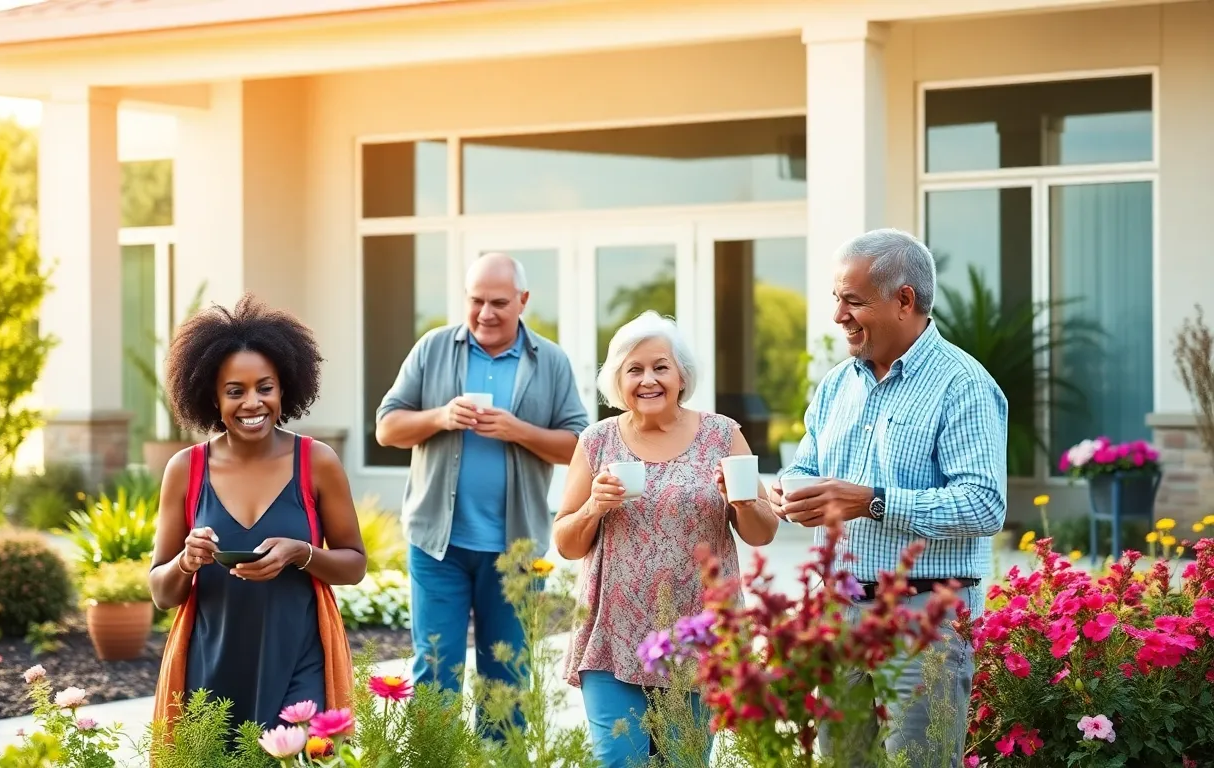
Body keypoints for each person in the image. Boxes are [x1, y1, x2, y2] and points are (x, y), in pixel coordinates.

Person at [774, 228, 1008, 767]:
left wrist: (873, 501)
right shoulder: (837, 384)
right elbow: (809, 467)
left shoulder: (963, 384)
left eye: (853, 301)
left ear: (904, 300)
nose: (838, 316)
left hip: (924, 619)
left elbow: (984, 505)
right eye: (836, 298)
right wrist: (785, 490)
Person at [554, 310, 779, 768]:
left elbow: (764, 531)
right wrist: (595, 507)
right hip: (612, 638)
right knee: (621, 762)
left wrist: (738, 500)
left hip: (699, 640)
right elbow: (565, 542)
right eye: (633, 369)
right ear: (619, 380)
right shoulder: (596, 442)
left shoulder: (722, 434)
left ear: (681, 375)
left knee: (683, 763)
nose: (648, 379)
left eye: (660, 366)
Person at [374, 253, 589, 702]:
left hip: (516, 550)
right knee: (435, 674)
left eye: (498, 302)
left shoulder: (550, 361)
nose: (485, 313)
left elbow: (579, 447)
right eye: (476, 301)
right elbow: (387, 427)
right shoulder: (432, 347)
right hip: (437, 545)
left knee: (507, 681)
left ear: (522, 300)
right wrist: (440, 416)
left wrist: (517, 430)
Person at [149, 294, 365, 732]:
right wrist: (186, 562)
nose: (253, 403)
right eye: (235, 391)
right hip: (209, 675)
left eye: (265, 387)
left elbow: (354, 565)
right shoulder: (185, 470)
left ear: (285, 388)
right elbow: (161, 592)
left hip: (299, 666)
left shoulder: (316, 462)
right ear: (212, 397)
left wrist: (302, 553)